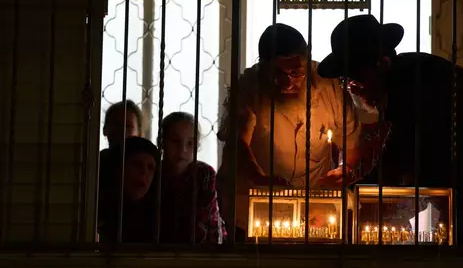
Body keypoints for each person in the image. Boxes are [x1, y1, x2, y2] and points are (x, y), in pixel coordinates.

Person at [316, 14, 463, 247]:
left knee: (456, 258)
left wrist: (351, 195)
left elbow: (399, 157)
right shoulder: (410, 72)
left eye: (356, 81)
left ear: (382, 64)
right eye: (347, 83)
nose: (353, 90)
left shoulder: (410, 81)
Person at [217, 23, 362, 240]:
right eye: (278, 72)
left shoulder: (328, 86)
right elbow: (238, 144)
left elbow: (351, 140)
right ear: (263, 65)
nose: (287, 81)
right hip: (252, 205)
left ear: (307, 61)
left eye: (296, 72)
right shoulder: (249, 88)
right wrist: (262, 180)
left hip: (313, 209)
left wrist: (345, 167)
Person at [160, 112, 225, 244]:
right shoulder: (152, 171)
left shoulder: (204, 174)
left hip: (205, 249)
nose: (182, 149)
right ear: (161, 142)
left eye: (190, 143)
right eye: (175, 141)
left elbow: (200, 222)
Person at [98, 136, 159, 243]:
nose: (144, 172)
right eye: (136, 164)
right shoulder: (95, 209)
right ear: (119, 168)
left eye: (150, 168)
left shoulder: (155, 217)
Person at [99, 100, 143, 208]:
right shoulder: (96, 162)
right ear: (105, 129)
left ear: (139, 133)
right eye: (116, 124)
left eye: (128, 126)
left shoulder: (146, 166)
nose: (121, 130)